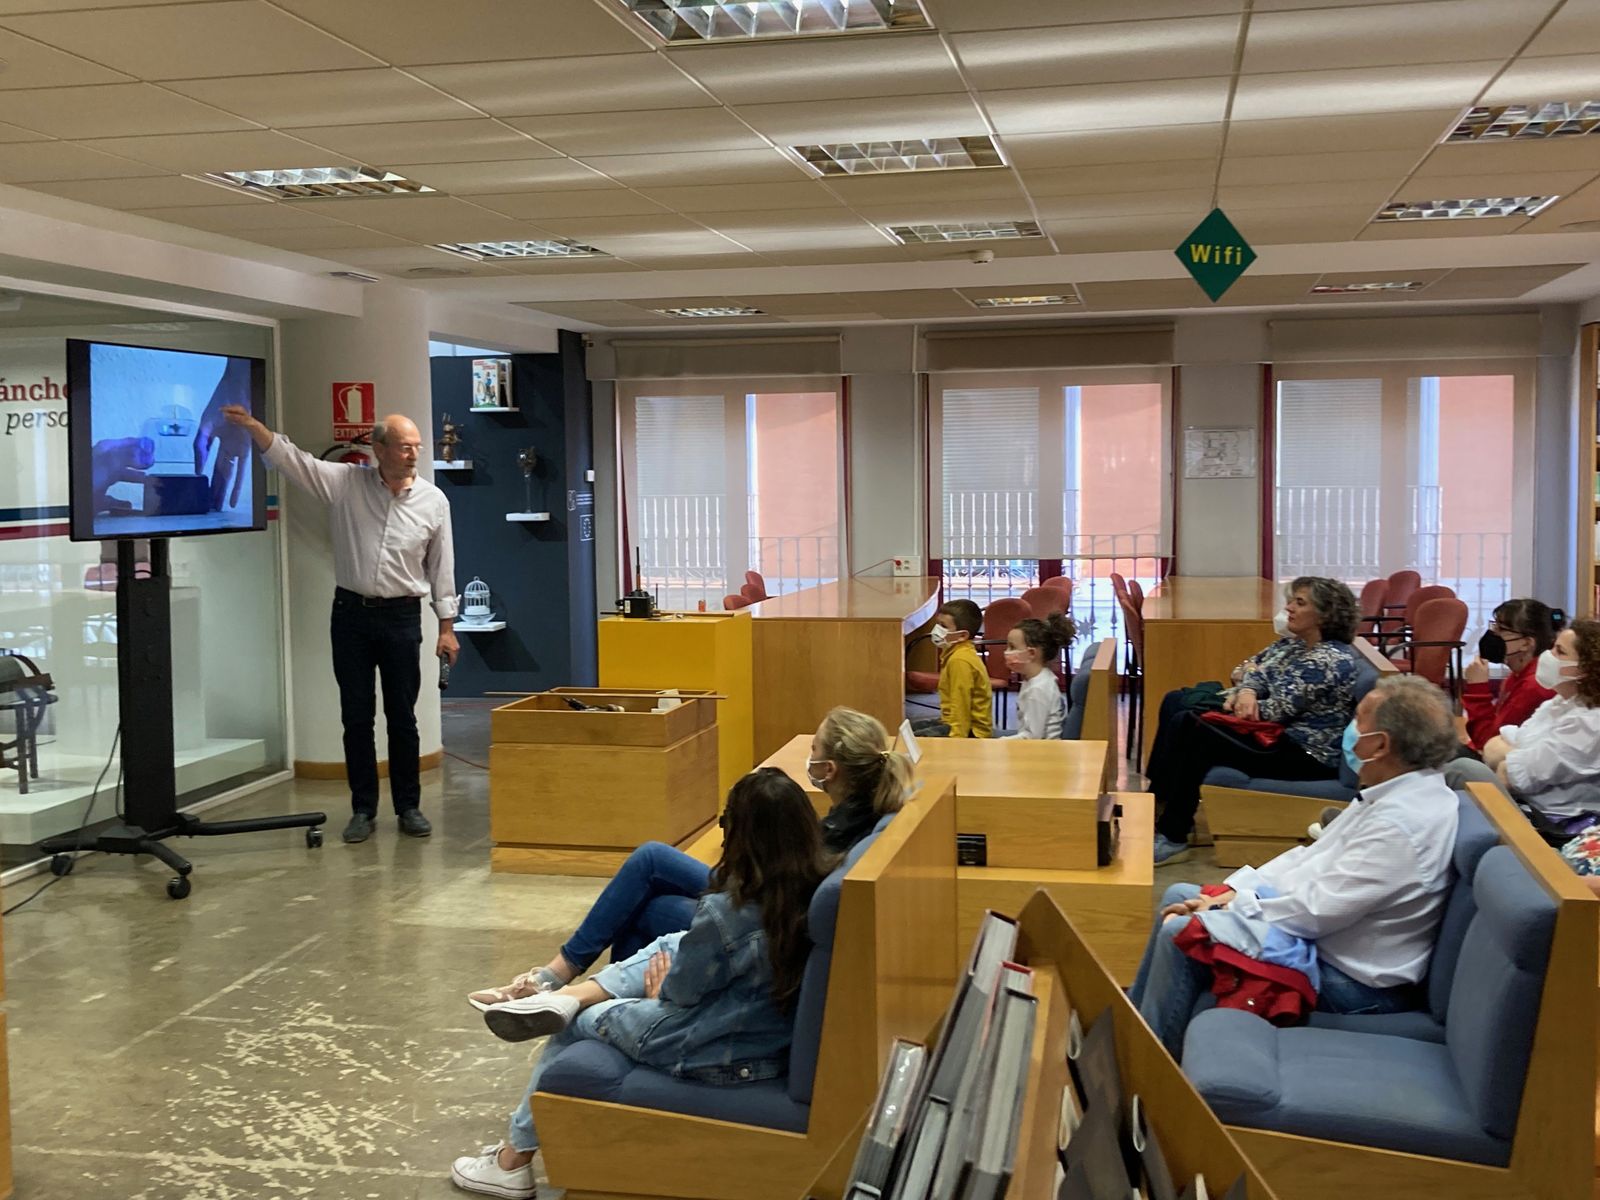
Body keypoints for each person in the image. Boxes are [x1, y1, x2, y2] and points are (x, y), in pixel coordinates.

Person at [450, 768, 833, 1199]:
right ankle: (563, 993)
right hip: (760, 1040)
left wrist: (658, 993)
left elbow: (679, 994)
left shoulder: (726, 915)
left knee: (580, 1021)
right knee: (672, 939)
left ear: (744, 836)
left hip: (711, 1049)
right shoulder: (814, 895)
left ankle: (512, 1160)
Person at [466, 706, 913, 1009]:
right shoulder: (866, 804)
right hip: (774, 903)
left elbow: (782, 884)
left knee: (650, 878)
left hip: (765, 917)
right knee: (651, 873)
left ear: (831, 770)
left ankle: (560, 982)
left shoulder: (843, 826)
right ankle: (578, 987)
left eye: (814, 750)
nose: (809, 757)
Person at [1130, 675, 1461, 1060]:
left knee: (1184, 931)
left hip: (1352, 982)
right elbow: (1308, 860)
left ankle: (1147, 1066)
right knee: (1180, 896)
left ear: (1381, 745)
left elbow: (1319, 910)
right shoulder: (1394, 794)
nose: (1350, 733)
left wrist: (1228, 910)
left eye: (1359, 723)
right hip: (1323, 942)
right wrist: (1234, 893)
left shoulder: (1403, 823)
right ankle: (1133, 1025)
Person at [221, 405, 457, 844]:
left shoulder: (433, 500)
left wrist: (446, 626)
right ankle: (362, 809)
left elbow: (442, 565)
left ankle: (409, 806)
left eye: (417, 447)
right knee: (356, 717)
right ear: (378, 448)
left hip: (404, 616)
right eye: (405, 447)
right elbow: (293, 461)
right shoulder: (345, 484)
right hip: (352, 615)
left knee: (403, 718)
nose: (413, 455)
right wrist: (256, 428)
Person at [1148, 577, 1360, 864]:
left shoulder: (1328, 660)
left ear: (1325, 614)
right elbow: (1259, 671)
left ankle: (1173, 835)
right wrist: (1247, 689)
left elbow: (1273, 710)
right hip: (1279, 735)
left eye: (1300, 603)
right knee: (1188, 718)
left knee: (1196, 729)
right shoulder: (1298, 646)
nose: (1289, 608)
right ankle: (1158, 808)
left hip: (1305, 752)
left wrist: (1245, 696)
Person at [1480, 620, 1600, 826]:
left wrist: (1514, 756)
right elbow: (1494, 745)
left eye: (1560, 652)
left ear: (1584, 670)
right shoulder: (1559, 701)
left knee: (1461, 770)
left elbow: (1511, 774)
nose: (1548, 656)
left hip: (1552, 822)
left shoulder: (1589, 723)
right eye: (1553, 647)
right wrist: (1519, 755)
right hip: (1526, 805)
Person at [1460, 598, 1557, 752]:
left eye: (1501, 629)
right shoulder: (1518, 675)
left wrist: (1477, 689)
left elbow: (1488, 743)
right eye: (1494, 626)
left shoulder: (1534, 685)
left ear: (1526, 643)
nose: (1493, 634)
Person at [912, 599, 992, 739]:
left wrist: (955, 743)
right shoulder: (955, 652)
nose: (937, 630)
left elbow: (960, 706)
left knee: (915, 741)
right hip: (951, 722)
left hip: (971, 732)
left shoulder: (959, 661)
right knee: (908, 731)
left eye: (943, 626)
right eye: (938, 624)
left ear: (962, 635)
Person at [1001, 614, 1076, 740]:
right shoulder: (1039, 679)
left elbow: (1033, 736)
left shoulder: (1038, 688)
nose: (1006, 652)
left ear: (1031, 653)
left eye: (1012, 647)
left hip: (1042, 753)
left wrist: (999, 743)